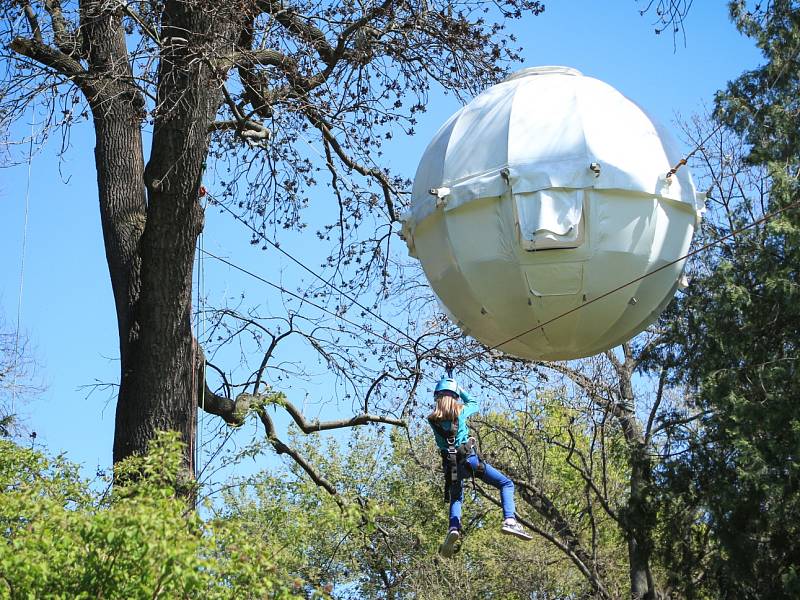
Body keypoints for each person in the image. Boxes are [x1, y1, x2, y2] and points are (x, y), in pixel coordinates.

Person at [427, 375, 532, 557]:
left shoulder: (432, 420)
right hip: (470, 461)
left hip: (451, 467)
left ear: (437, 397)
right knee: (506, 483)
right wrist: (459, 389)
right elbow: (474, 401)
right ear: (454, 397)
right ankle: (509, 520)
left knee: (456, 497)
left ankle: (453, 528)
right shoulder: (461, 411)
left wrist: (450, 386)